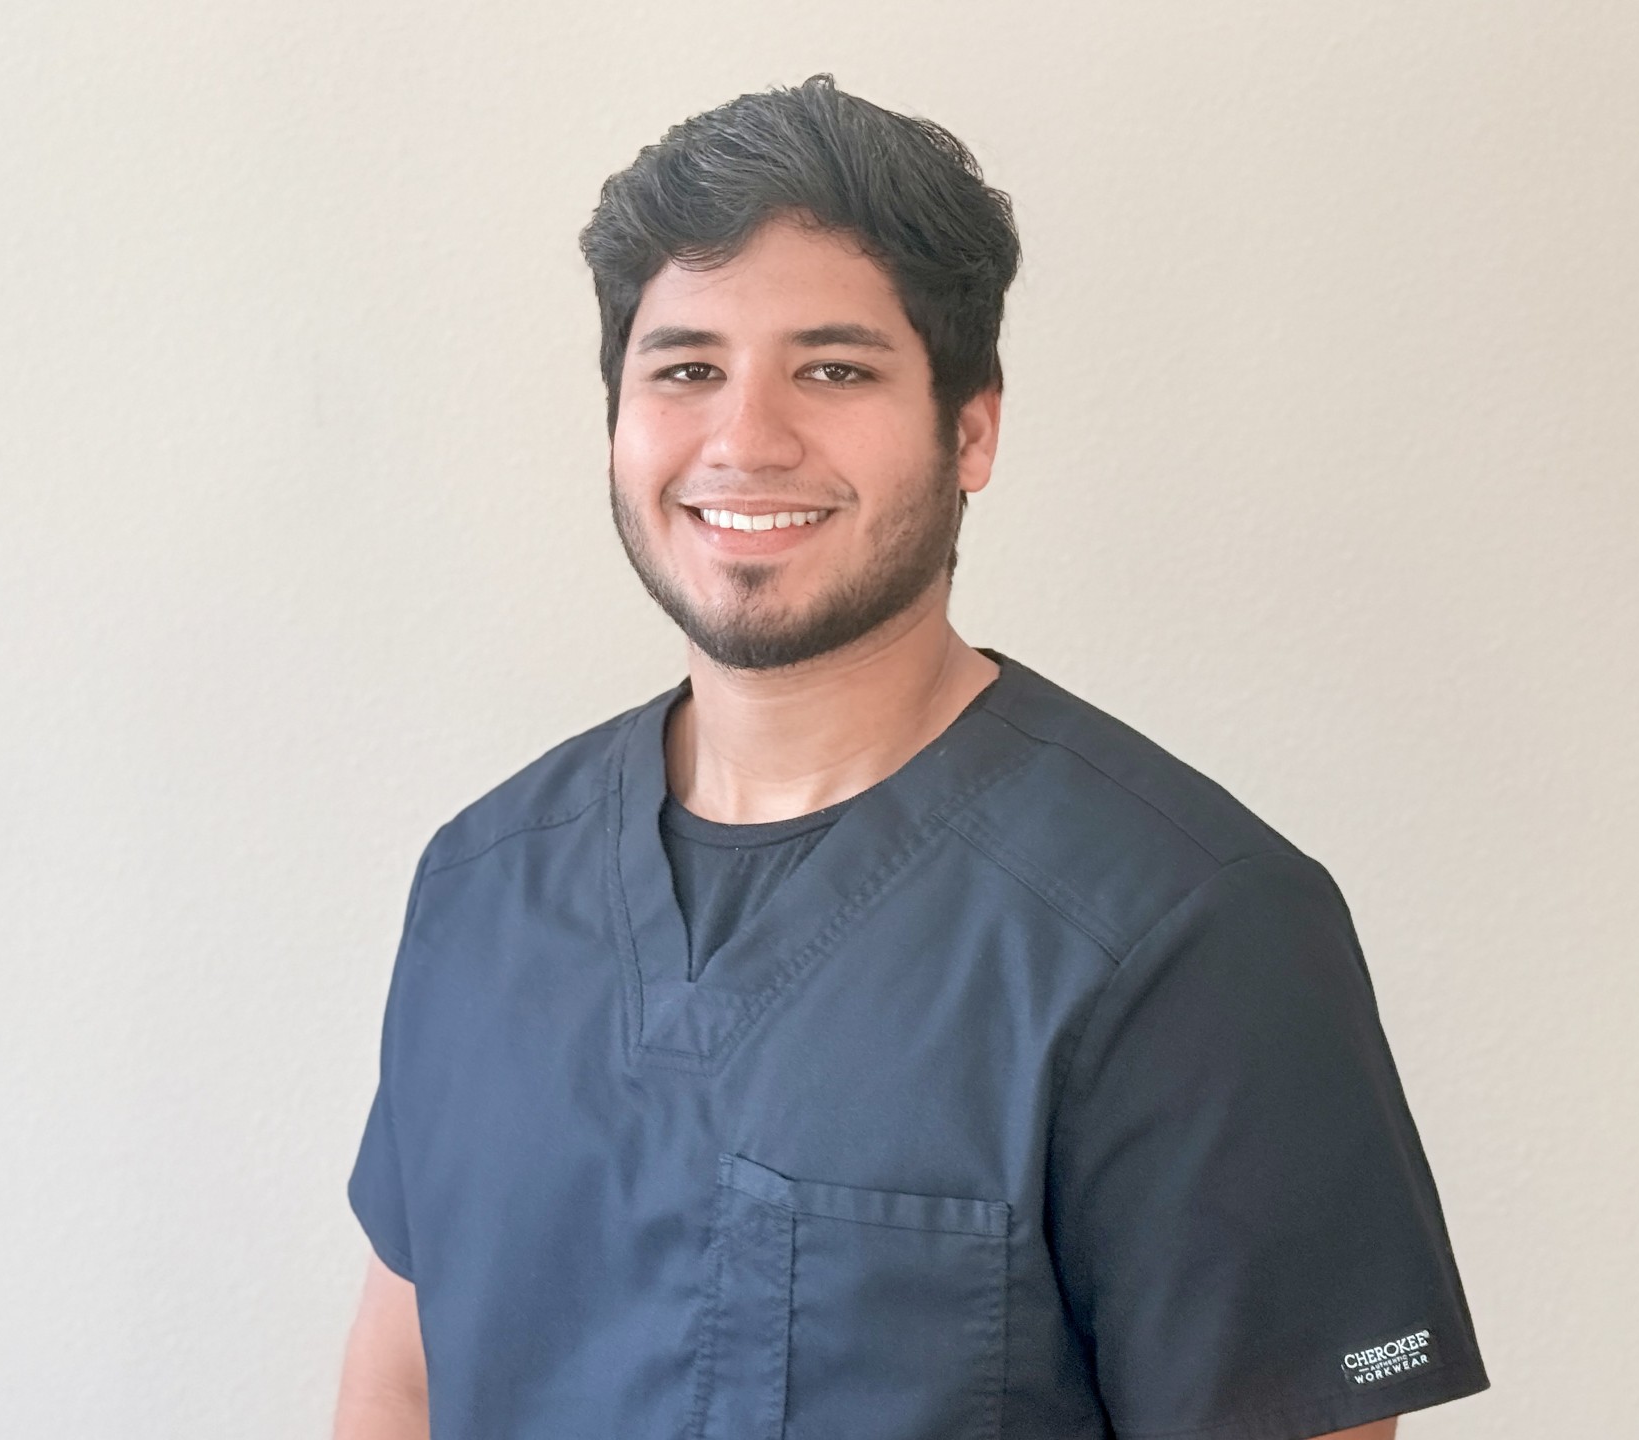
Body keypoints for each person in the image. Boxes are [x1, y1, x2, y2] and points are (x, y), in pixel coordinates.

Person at [331, 75, 1490, 1440]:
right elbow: (401, 1382)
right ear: (620, 420)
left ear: (973, 426)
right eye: (687, 366)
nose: (747, 439)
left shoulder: (1192, 930)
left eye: (835, 369)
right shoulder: (483, 886)